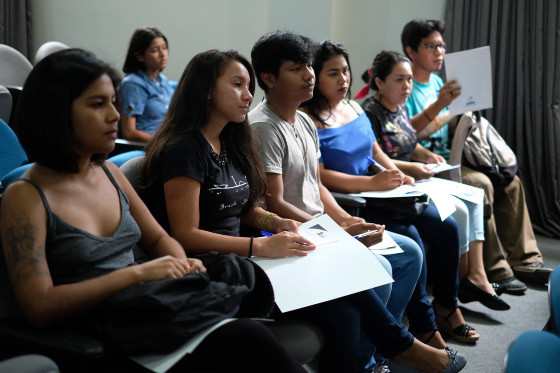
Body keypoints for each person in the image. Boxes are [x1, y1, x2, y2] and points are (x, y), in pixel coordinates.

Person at [140, 46, 465, 373]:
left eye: (248, 86)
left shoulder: (229, 141)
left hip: (249, 257)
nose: (247, 94)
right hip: (217, 271)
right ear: (206, 91)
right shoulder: (185, 149)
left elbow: (245, 209)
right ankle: (403, 348)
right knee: (343, 277)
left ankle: (391, 352)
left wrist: (275, 221)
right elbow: (186, 235)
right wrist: (261, 244)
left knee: (348, 310)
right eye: (237, 85)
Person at [0, 48, 306, 372]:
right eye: (97, 104)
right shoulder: (25, 197)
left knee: (254, 329)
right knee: (249, 340)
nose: (115, 115)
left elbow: (160, 239)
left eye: (113, 103)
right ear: (56, 112)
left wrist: (179, 260)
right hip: (99, 338)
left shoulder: (109, 173)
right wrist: (137, 273)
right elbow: (39, 306)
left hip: (148, 311)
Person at [248, 31, 467, 372]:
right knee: (377, 271)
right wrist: (333, 230)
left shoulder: (303, 120)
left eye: (309, 66)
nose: (309, 75)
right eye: (297, 69)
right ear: (268, 78)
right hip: (290, 235)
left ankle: (373, 356)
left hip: (319, 225)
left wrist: (343, 220)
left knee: (409, 253)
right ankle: (390, 351)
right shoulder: (263, 127)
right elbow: (273, 202)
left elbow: (315, 185)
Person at [301, 40, 510, 347]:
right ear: (315, 77)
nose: (343, 79)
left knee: (447, 226)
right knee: (411, 238)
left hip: (385, 191)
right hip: (356, 200)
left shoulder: (353, 107)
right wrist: (371, 184)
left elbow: (374, 150)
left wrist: (399, 173)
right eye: (333, 73)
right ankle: (424, 326)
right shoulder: (310, 119)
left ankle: (447, 306)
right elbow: (320, 177)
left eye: (345, 71)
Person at [401, 18, 552, 292]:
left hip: (457, 157)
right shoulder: (404, 85)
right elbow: (404, 136)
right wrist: (440, 106)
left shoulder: (438, 82)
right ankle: (495, 268)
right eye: (431, 46)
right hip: (428, 164)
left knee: (512, 182)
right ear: (412, 52)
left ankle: (525, 260)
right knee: (480, 185)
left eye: (442, 46)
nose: (440, 52)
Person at [121, 27, 175, 141]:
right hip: (147, 147)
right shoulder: (134, 84)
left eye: (164, 48)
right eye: (155, 50)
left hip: (168, 142)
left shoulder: (163, 81)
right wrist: (162, 143)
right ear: (140, 56)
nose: (163, 54)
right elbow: (129, 132)